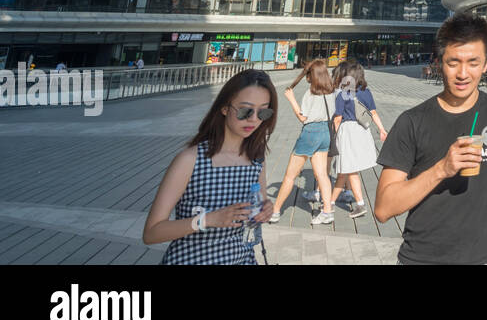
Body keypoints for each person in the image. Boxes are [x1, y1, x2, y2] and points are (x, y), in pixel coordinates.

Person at [375, 11, 487, 265]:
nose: (463, 73)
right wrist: (442, 169)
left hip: (485, 259)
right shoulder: (412, 122)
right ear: (439, 62)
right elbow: (382, 209)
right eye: (453, 62)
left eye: (473, 63)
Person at [143, 69, 276, 263]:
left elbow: (255, 212)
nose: (254, 119)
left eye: (263, 112)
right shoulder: (190, 160)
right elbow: (152, 233)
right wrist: (208, 219)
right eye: (246, 110)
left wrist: (265, 211)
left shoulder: (256, 159)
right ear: (224, 108)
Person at [267, 59, 338, 225]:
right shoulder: (331, 92)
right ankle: (327, 211)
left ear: (311, 76)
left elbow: (303, 118)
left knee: (290, 176)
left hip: (310, 133)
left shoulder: (310, 94)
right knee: (322, 175)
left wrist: (291, 99)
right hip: (325, 133)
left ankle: (276, 211)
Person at [329, 60, 388, 220]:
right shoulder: (366, 92)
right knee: (345, 169)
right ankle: (330, 203)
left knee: (350, 169)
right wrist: (382, 130)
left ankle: (360, 204)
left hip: (348, 132)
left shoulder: (343, 93)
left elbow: (338, 118)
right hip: (362, 130)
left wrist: (331, 137)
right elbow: (373, 113)